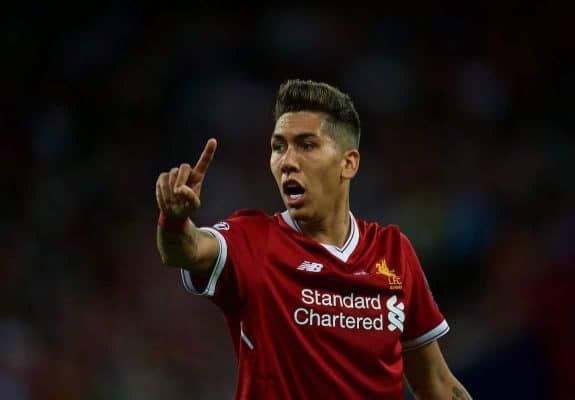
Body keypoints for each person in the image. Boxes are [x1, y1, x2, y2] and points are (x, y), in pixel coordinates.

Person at [155, 79, 472, 399]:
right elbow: (187, 250)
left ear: (349, 163)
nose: (288, 161)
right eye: (279, 147)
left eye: (307, 145)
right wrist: (174, 219)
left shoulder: (392, 251)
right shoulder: (252, 240)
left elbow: (435, 383)